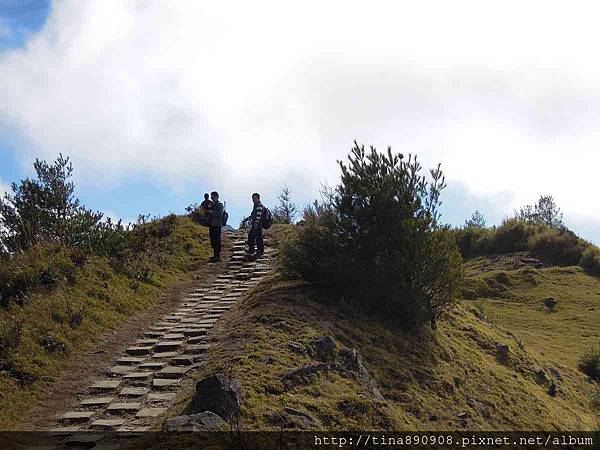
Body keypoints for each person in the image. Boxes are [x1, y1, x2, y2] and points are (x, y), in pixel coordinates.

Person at [205, 191, 224, 262]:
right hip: (212, 225)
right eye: (211, 197)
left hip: (217, 225)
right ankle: (215, 255)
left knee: (216, 240)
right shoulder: (212, 205)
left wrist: (212, 212)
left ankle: (217, 256)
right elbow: (206, 210)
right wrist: (208, 208)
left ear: (217, 197)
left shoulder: (220, 205)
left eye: (213, 197)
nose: (212, 199)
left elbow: (220, 214)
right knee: (212, 240)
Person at [247, 192, 264, 258]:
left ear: (258, 198)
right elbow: (252, 214)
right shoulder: (255, 205)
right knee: (252, 236)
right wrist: (248, 218)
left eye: (254, 198)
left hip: (258, 224)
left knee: (257, 237)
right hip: (256, 224)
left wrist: (256, 223)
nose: (253, 200)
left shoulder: (259, 205)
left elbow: (258, 215)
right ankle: (253, 250)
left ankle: (259, 251)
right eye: (252, 199)